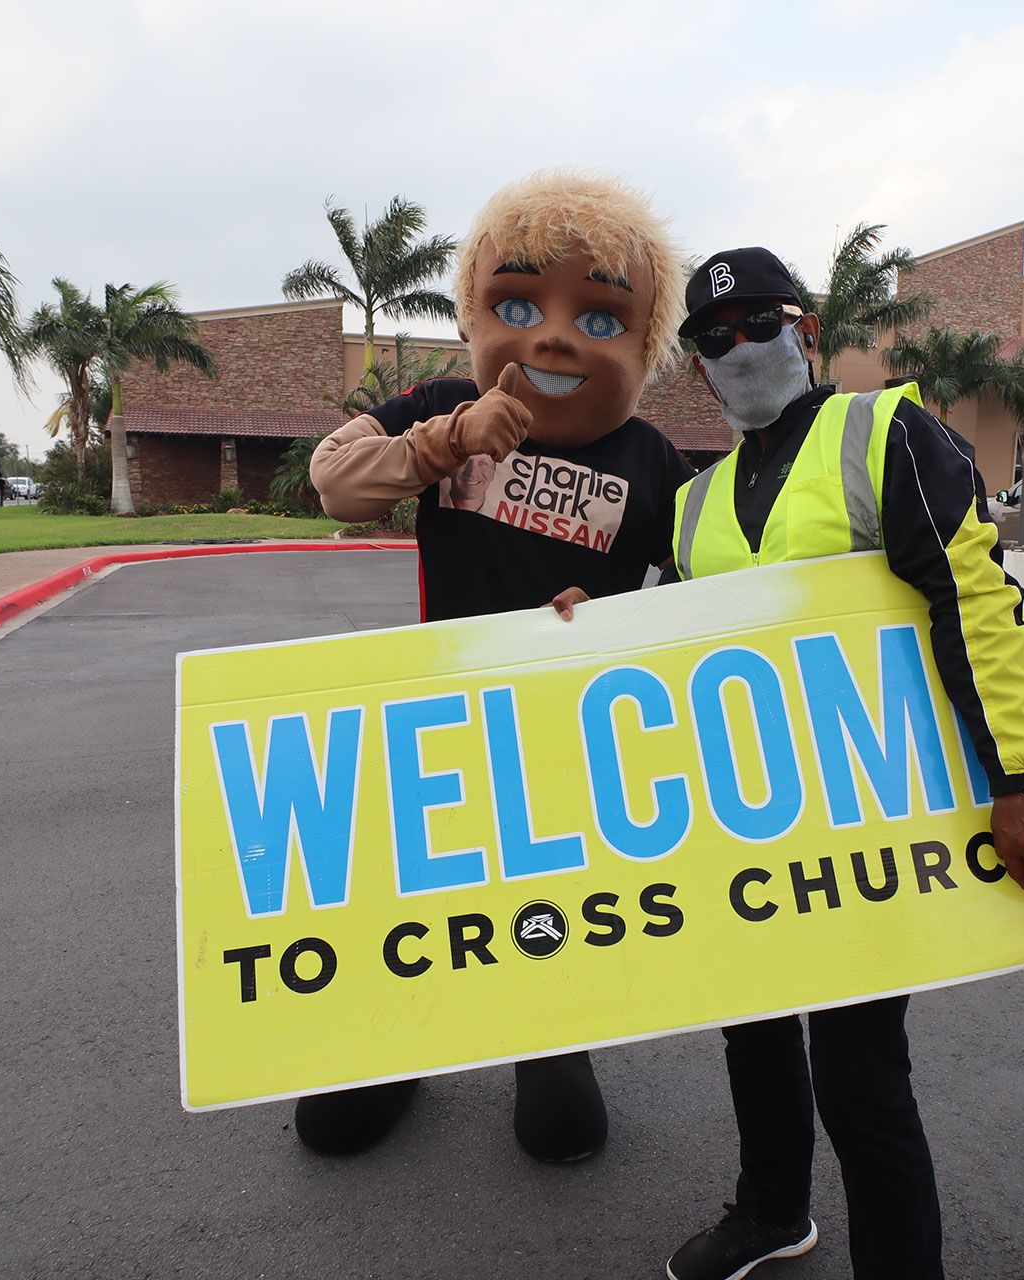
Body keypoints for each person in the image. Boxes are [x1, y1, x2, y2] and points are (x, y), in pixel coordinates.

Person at [660, 248, 1024, 1280]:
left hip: (867, 815)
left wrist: (1020, 779)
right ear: (697, 366)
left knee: (859, 1074)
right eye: (712, 338)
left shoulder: (882, 430)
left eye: (757, 322)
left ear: (804, 329)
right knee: (754, 1033)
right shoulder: (695, 503)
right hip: (749, 822)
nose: (738, 347)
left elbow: (973, 598)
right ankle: (773, 1209)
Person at [306, 170, 694, 1163]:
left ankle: (546, 1038)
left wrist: (614, 619)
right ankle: (398, 1043)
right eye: (518, 306)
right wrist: (446, 440)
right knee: (419, 898)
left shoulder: (654, 462)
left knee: (546, 907)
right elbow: (335, 484)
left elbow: (710, 596)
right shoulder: (444, 402)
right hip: (438, 729)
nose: (554, 336)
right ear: (475, 310)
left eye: (599, 316)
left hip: (568, 745)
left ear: (644, 344)